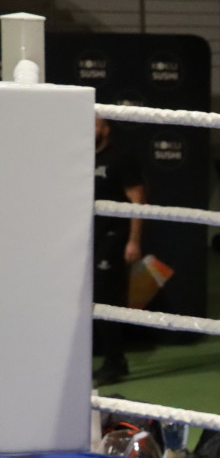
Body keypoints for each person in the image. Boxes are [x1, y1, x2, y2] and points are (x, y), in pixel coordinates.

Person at [93, 116, 147, 385]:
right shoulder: (79, 155)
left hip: (115, 237)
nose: (89, 130)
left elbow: (137, 198)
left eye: (94, 124)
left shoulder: (119, 157)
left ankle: (115, 362)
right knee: (91, 300)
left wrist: (133, 240)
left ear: (105, 128)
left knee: (106, 298)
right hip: (88, 236)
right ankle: (106, 358)